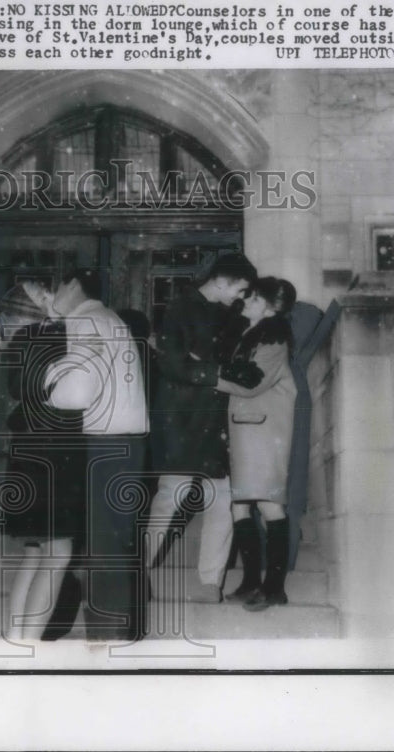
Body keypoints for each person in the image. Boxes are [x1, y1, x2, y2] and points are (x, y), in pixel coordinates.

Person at [145, 254, 260, 603]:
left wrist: (205, 367)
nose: (241, 297)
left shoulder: (227, 315)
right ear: (222, 281)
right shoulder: (180, 307)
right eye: (240, 289)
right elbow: (172, 363)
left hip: (213, 421)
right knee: (171, 496)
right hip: (182, 420)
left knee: (222, 499)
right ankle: (135, 573)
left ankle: (211, 582)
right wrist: (215, 373)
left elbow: (197, 362)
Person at [43, 268, 148, 641]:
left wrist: (47, 383)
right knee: (112, 545)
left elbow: (76, 393)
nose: (53, 295)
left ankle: (105, 643)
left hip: (105, 445)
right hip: (124, 443)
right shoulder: (107, 319)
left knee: (103, 550)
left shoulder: (87, 321)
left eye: (57, 286)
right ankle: (114, 636)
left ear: (73, 284)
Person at [0, 282, 87, 640]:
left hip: (30, 453)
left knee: (36, 552)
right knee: (59, 553)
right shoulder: (52, 336)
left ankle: (15, 638)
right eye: (43, 295)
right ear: (33, 308)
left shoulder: (22, 339)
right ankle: (30, 645)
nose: (53, 295)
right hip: (55, 454)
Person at [216, 277, 299, 611]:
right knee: (239, 506)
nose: (246, 302)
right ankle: (251, 582)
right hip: (246, 431)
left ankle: (274, 587)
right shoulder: (252, 336)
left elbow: (251, 383)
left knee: (269, 506)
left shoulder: (273, 340)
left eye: (253, 298)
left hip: (263, 433)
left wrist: (208, 376)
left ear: (268, 307)